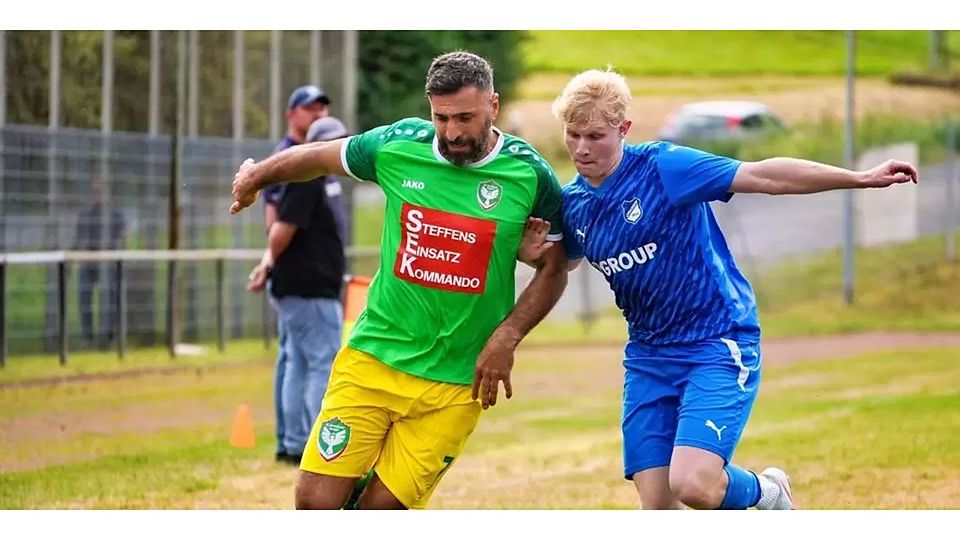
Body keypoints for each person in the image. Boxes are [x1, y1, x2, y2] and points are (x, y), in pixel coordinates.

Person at [532, 68, 918, 510]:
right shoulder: (575, 205)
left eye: (596, 135)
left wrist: (859, 177)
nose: (582, 148)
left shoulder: (663, 167)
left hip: (716, 341)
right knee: (657, 507)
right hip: (648, 356)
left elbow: (764, 176)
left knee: (694, 485)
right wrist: (534, 252)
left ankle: (769, 495)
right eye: (573, 134)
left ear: (624, 129)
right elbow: (563, 261)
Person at [230, 51, 568, 510]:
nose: (452, 132)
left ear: (494, 104)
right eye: (441, 117)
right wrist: (255, 176)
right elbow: (319, 158)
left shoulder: (530, 174)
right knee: (314, 506)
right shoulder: (399, 145)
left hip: (456, 381)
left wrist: (508, 335)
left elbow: (558, 265)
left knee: (382, 512)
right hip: (374, 358)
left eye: (465, 117)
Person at [251, 85, 342, 466]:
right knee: (320, 363)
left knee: (297, 362)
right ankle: (309, 444)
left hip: (303, 284)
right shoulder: (305, 176)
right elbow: (282, 226)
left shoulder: (310, 176)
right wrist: (268, 262)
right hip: (307, 286)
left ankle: (292, 442)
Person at [74, 180, 126, 347]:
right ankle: (87, 337)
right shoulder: (85, 213)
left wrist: (115, 253)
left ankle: (109, 337)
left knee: (110, 300)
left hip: (108, 263)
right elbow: (78, 238)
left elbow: (123, 237)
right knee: (85, 300)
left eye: (100, 191)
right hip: (88, 262)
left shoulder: (115, 214)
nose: (97, 195)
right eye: (94, 191)